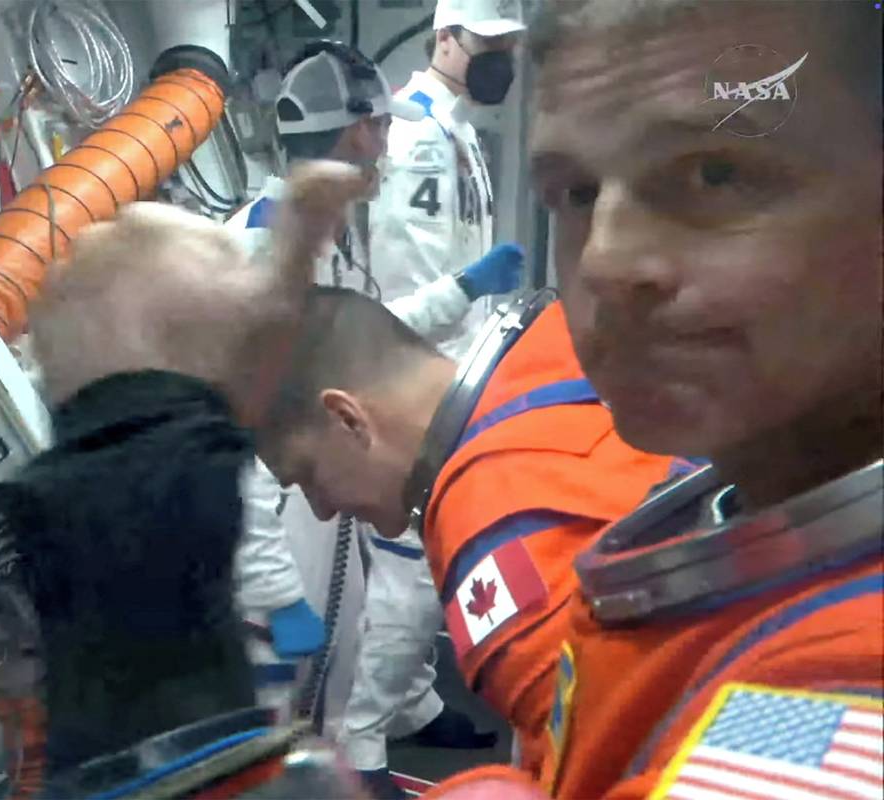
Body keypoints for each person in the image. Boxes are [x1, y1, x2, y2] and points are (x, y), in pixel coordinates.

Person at [431, 0, 884, 796]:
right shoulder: (739, 533)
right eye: (576, 193)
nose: (604, 263)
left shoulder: (844, 693)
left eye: (716, 174)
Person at [0, 163, 376, 797]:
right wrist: (298, 244)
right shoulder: (175, 467)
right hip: (195, 763)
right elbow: (259, 349)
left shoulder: (56, 490)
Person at [226, 40, 522, 797]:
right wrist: (275, 591)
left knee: (335, 670)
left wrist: (461, 289)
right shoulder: (263, 254)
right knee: (271, 715)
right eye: (384, 129)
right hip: (278, 517)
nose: (390, 146)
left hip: (318, 490)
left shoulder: (328, 236)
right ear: (362, 131)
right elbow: (237, 444)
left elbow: (364, 337)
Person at [253, 283, 682, 781]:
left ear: (348, 420)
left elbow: (617, 773)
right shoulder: (560, 345)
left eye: (308, 475)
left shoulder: (494, 532)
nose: (322, 510)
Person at [374, 0, 526, 362]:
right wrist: (472, 285)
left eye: (509, 46)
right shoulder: (414, 132)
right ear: (444, 38)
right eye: (488, 44)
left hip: (456, 363)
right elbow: (403, 301)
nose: (500, 59)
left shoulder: (459, 128)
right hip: (419, 367)